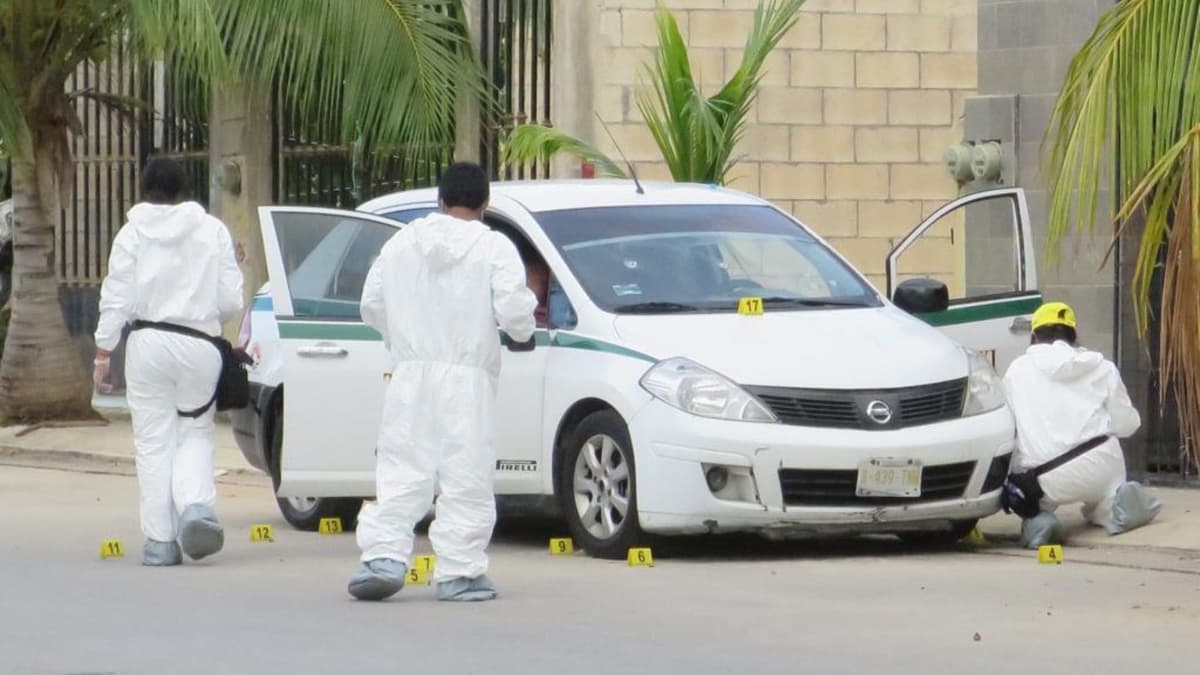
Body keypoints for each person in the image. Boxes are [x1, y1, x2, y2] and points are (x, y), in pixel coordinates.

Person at [349, 162, 537, 602]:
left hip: (410, 372)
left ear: (439, 200)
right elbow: (514, 310)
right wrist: (522, 334)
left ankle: (383, 558)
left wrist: (402, 338)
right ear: (486, 204)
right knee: (466, 473)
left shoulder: (400, 243)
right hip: (468, 376)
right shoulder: (494, 247)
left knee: (401, 468)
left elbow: (371, 304)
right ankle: (460, 571)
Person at [94, 157, 244, 566]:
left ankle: (160, 542)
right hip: (200, 345)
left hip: (148, 343)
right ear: (184, 189)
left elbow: (117, 296)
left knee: (153, 441)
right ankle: (196, 506)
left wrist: (104, 349)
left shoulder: (131, 234)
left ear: (145, 188)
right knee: (195, 431)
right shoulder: (213, 231)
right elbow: (231, 300)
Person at [1002, 302, 1161, 549]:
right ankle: (1114, 506)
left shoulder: (1016, 371)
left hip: (1047, 477)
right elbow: (1127, 425)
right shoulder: (1102, 367)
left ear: (1034, 336)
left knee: (1032, 499)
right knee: (1105, 493)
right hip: (1102, 465)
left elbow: (1009, 428)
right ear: (1073, 335)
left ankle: (1041, 521)